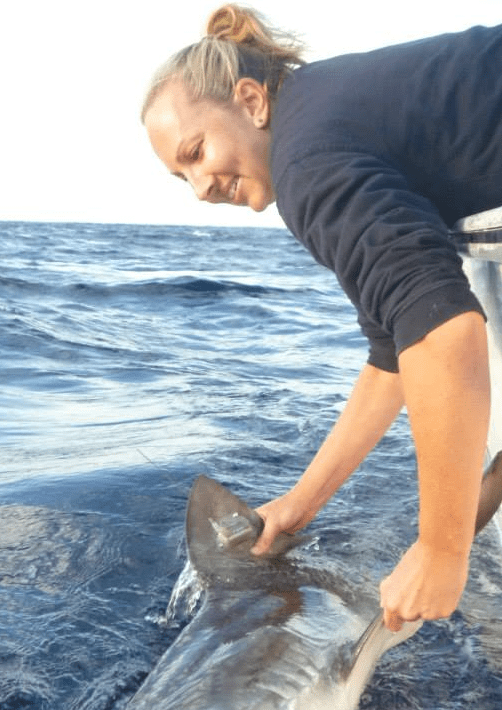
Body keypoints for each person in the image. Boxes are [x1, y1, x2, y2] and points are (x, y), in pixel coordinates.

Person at [141, 4, 502, 631]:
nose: (200, 187)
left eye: (197, 152)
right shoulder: (324, 115)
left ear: (252, 102)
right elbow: (396, 351)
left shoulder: (305, 162)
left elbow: (443, 331)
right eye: (181, 177)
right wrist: (300, 506)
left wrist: (443, 550)